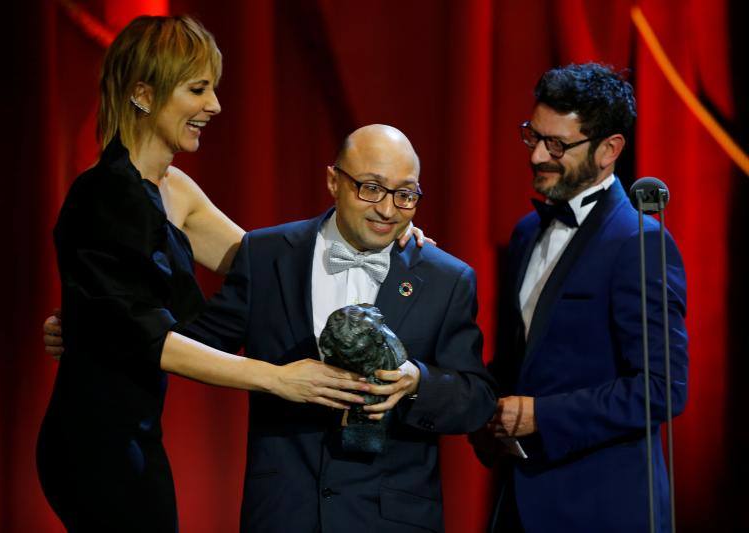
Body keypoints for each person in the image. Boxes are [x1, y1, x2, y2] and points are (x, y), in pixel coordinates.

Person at [36, 15, 401, 532]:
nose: (215, 106)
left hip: (134, 433)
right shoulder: (106, 195)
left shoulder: (174, 189)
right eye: (198, 89)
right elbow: (148, 338)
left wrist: (383, 227)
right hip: (95, 441)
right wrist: (278, 380)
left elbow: (273, 265)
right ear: (143, 93)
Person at [46, 123, 498, 532]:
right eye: (371, 188)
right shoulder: (267, 255)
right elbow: (193, 341)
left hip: (393, 519)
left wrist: (418, 382)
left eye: (405, 194)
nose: (388, 209)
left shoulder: (446, 277)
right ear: (333, 182)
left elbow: (475, 399)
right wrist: (100, 327)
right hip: (284, 512)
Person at [472, 63, 688, 533]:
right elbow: (515, 362)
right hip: (520, 504)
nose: (536, 157)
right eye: (533, 136)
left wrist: (542, 416)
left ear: (609, 149)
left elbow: (662, 388)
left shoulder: (640, 242)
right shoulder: (527, 232)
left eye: (558, 145)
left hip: (603, 509)